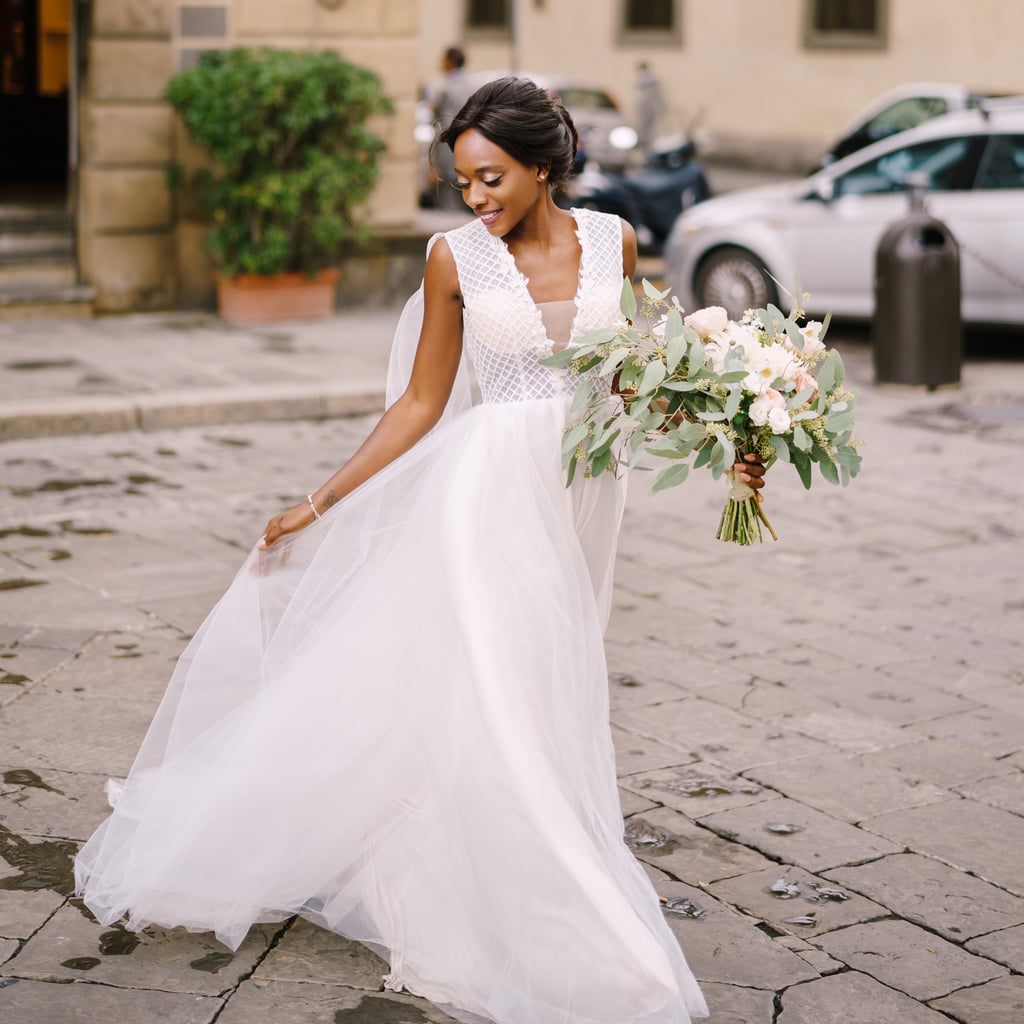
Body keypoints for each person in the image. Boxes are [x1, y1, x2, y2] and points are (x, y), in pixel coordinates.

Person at [75, 77, 766, 1024]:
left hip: (586, 488)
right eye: (462, 180)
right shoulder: (453, 261)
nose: (475, 197)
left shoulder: (616, 241)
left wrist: (743, 415)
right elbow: (418, 404)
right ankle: (566, 918)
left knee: (547, 680)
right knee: (501, 694)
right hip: (488, 497)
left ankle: (458, 841)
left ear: (541, 165)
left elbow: (646, 373)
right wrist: (316, 502)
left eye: (490, 178)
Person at [430, 46, 476, 210]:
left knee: (448, 205)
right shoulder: (473, 85)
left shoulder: (444, 88)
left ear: (449, 62)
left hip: (448, 153)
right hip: (472, 151)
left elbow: (440, 125)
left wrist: (435, 165)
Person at [635, 62, 667, 154]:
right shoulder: (643, 80)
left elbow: (653, 97)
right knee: (646, 133)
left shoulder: (648, 80)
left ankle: (650, 151)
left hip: (649, 111)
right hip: (645, 112)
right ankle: (647, 150)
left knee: (650, 134)